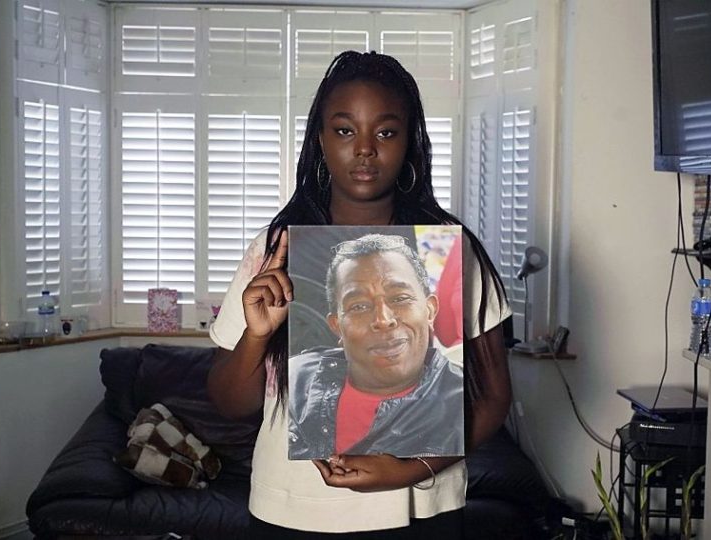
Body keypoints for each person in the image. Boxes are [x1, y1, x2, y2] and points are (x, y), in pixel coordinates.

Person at [207, 50, 511, 538]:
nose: (365, 149)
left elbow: (494, 396)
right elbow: (229, 404)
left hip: (420, 511)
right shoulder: (274, 248)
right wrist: (257, 337)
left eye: (386, 132)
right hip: (291, 510)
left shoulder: (447, 248)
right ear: (321, 141)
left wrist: (409, 469)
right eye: (345, 130)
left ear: (409, 141)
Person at [288, 233, 465, 460]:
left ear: (430, 310)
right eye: (359, 306)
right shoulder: (295, 379)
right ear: (336, 326)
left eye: (400, 298)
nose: (383, 319)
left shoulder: (465, 403)